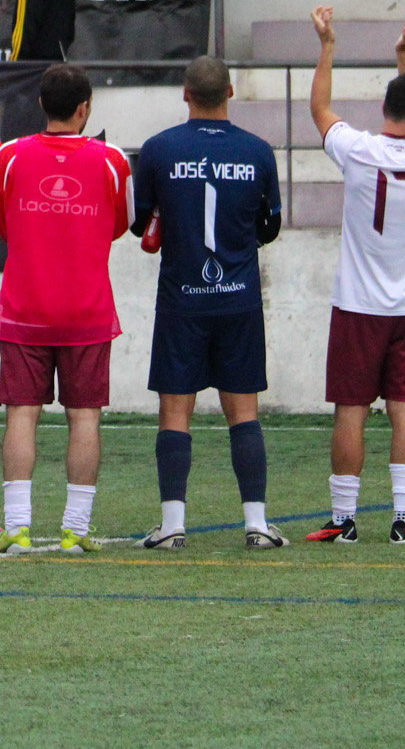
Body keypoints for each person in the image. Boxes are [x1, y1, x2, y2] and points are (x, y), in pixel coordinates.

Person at [131, 56, 287, 549]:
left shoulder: (157, 150)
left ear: (185, 93)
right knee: (244, 412)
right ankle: (257, 525)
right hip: (238, 299)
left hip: (182, 299)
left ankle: (173, 526)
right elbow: (271, 227)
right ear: (231, 91)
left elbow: (140, 224)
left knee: (175, 412)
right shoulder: (259, 152)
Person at [304, 5, 405, 545]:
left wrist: (328, 45)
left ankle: (344, 520)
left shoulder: (357, 150)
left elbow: (318, 107)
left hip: (358, 304)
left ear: (382, 106)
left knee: (351, 410)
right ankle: (404, 522)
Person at [0, 64, 131, 553]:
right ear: (86, 107)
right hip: (87, 311)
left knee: (21, 417)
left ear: (42, 105)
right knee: (84, 419)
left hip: (25, 308)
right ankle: (75, 529)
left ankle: (18, 527)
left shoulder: (8, 156)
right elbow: (119, 224)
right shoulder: (112, 160)